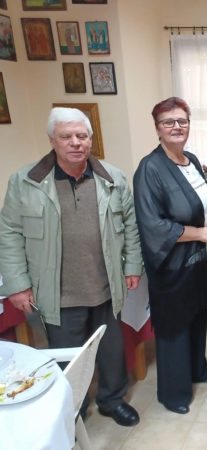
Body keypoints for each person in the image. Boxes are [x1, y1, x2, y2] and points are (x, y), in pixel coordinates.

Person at [0, 107, 143, 426]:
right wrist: (18, 285)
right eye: (66, 136)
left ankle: (112, 400)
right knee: (69, 357)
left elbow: (131, 226)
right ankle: (73, 408)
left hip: (107, 286)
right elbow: (8, 234)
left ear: (91, 139)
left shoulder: (112, 177)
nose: (75, 142)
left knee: (111, 350)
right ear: (52, 140)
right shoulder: (26, 181)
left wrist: (133, 266)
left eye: (82, 136)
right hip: (59, 293)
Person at [133, 97, 207, 415]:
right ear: (157, 128)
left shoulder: (191, 160)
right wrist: (199, 234)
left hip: (197, 261)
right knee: (175, 326)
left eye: (182, 121)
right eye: (168, 122)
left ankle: (197, 369)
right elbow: (153, 225)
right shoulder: (150, 169)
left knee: (197, 316)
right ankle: (173, 393)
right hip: (171, 265)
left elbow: (204, 200)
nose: (177, 127)